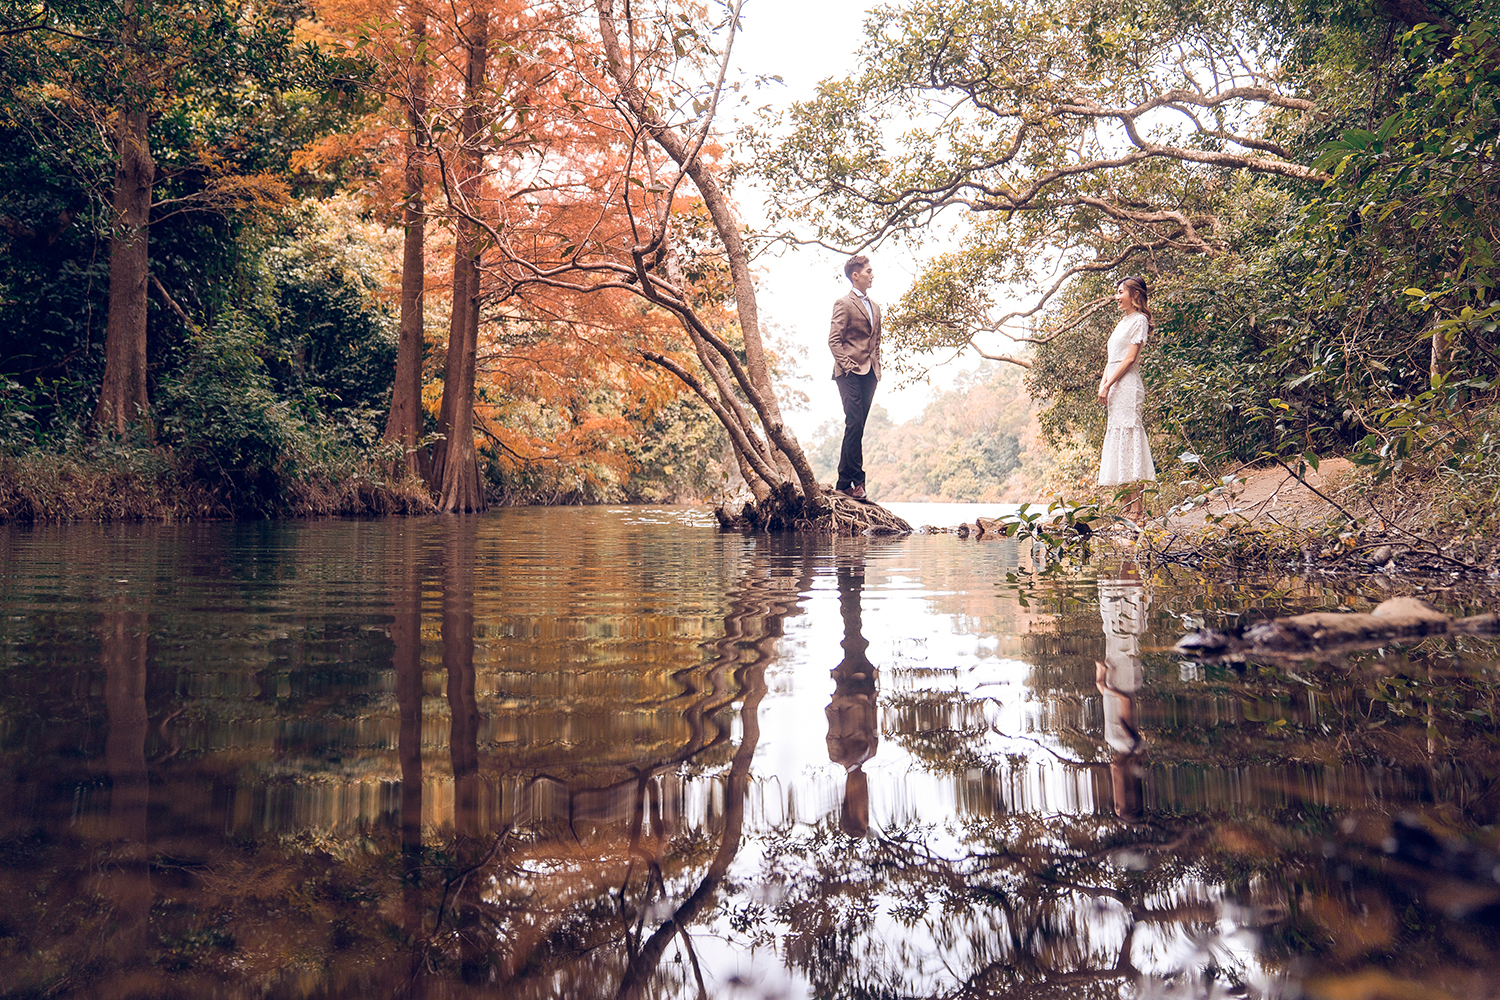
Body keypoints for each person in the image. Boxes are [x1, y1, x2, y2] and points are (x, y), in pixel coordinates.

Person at [1097, 275, 1157, 521]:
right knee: (1118, 443)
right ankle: (1126, 507)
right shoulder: (1121, 322)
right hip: (1114, 388)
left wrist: (1110, 383)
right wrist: (1104, 384)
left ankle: (1137, 510)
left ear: (1135, 295)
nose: (1117, 296)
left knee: (1129, 442)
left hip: (1128, 387)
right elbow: (1112, 358)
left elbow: (1129, 358)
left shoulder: (1140, 320)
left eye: (1121, 291)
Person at [829, 255, 881, 500]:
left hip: (870, 373)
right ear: (855, 275)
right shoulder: (843, 303)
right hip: (848, 372)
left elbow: (876, 342)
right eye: (868, 271)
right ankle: (858, 483)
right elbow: (834, 340)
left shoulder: (876, 307)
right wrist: (848, 366)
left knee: (856, 426)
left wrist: (876, 368)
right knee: (854, 422)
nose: (872, 275)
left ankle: (842, 483)